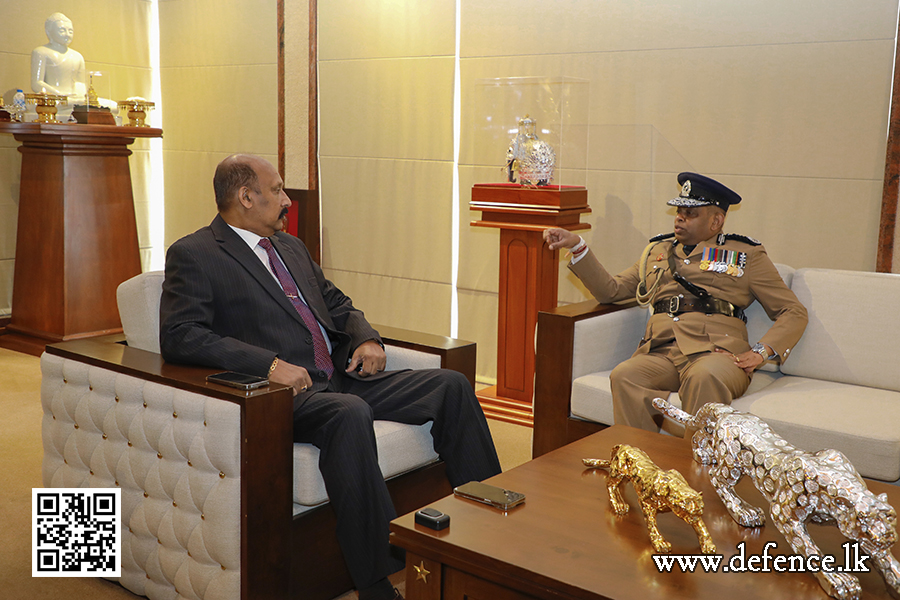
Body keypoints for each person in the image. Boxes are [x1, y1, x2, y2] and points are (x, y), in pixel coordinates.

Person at [160, 154, 501, 600]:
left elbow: (336, 303)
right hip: (279, 396)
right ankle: (377, 580)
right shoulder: (197, 253)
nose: (286, 200)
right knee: (349, 413)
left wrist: (366, 339)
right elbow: (180, 335)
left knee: (450, 385)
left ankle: (491, 538)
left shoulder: (291, 247)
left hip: (339, 376)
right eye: (277, 190)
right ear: (246, 196)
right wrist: (267, 364)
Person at [543, 172, 808, 433]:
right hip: (662, 351)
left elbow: (792, 311)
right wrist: (578, 247)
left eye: (691, 213)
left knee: (703, 376)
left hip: (716, 354)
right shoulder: (657, 252)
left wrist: (760, 353)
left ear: (717, 220)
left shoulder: (745, 255)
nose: (680, 217)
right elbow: (612, 292)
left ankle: (696, 470)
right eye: (679, 210)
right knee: (626, 375)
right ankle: (641, 465)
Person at [31, 13, 87, 103]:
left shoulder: (78, 56)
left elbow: (80, 83)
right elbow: (37, 84)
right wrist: (59, 95)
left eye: (70, 31)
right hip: (54, 99)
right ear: (48, 32)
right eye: (62, 31)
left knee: (113, 105)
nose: (67, 34)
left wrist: (80, 96)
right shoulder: (41, 52)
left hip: (73, 99)